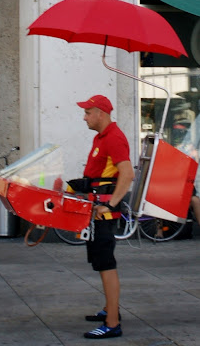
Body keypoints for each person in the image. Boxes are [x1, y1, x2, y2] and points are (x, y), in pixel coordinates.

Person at [74, 94, 134, 339]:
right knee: (101, 263)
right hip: (95, 210)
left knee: (106, 264)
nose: (84, 117)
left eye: (88, 112)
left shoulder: (114, 138)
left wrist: (110, 205)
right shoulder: (102, 137)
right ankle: (110, 309)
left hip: (103, 214)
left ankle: (112, 323)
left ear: (100, 113)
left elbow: (127, 174)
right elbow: (97, 174)